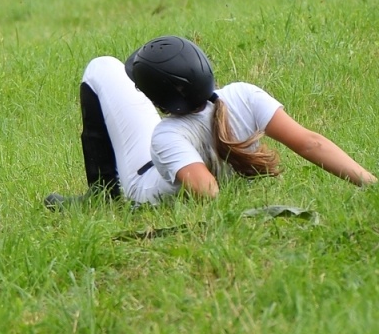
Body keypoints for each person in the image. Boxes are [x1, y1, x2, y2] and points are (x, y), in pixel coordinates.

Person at [47, 35, 375, 208]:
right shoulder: (245, 95)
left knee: (101, 66)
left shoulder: (167, 135)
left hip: (140, 184)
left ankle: (104, 194)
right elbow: (310, 143)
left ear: (160, 102)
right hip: (181, 147)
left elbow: (207, 192)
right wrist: (371, 185)